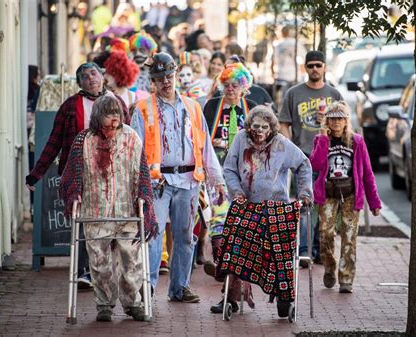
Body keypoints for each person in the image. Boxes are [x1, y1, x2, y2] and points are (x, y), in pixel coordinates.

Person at [130, 52, 225, 303]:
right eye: (160, 78)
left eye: (169, 76)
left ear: (176, 76)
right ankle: (148, 288)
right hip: (157, 183)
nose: (166, 82)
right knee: (154, 234)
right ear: (153, 80)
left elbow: (205, 147)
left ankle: (180, 287)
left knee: (185, 235)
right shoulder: (142, 109)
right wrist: (138, 186)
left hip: (189, 181)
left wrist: (217, 180)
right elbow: (133, 151)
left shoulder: (193, 107)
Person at [25, 62, 128, 289]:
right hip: (80, 174)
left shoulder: (117, 103)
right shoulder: (70, 106)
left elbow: (129, 139)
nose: (90, 78)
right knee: (82, 221)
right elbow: (54, 143)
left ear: (102, 76)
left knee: (112, 222)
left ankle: (106, 270)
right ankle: (84, 271)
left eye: (93, 73)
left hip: (113, 174)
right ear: (79, 83)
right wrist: (35, 174)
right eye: (84, 76)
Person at [60, 95, 158, 322]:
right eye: (108, 118)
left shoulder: (131, 137)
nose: (113, 123)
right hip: (95, 210)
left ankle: (133, 303)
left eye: (117, 117)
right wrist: (73, 194)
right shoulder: (84, 140)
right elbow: (72, 174)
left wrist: (143, 197)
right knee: (99, 261)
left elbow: (142, 172)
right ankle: (104, 303)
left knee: (131, 261)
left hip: (127, 210)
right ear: (97, 117)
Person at [212, 105, 312, 315]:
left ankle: (284, 296)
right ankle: (230, 296)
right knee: (234, 242)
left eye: (264, 127)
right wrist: (237, 192)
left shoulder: (281, 144)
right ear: (248, 127)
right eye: (255, 126)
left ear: (271, 129)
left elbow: (303, 164)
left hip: (277, 208)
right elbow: (229, 169)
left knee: (282, 248)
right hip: (247, 205)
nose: (258, 131)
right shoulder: (240, 139)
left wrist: (304, 193)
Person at [278, 50, 343, 266]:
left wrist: (329, 125)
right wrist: (292, 149)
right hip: (303, 157)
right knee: (304, 204)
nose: (315, 69)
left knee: (324, 205)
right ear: (305, 68)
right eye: (311, 65)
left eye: (318, 65)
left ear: (325, 67)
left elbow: (344, 127)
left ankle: (318, 248)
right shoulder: (293, 93)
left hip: (329, 158)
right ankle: (304, 250)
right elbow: (284, 123)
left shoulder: (334, 94)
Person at [310, 101, 381, 294]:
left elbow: (367, 173)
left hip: (350, 194)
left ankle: (346, 278)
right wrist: (324, 140)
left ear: (346, 120)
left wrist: (374, 202)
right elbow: (315, 165)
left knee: (349, 236)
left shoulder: (356, 141)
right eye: (332, 119)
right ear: (326, 121)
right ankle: (330, 267)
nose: (336, 123)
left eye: (340, 118)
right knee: (325, 234)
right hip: (328, 194)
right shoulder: (320, 140)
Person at [202, 62, 256, 274]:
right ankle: (220, 261)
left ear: (243, 86)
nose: (230, 89)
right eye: (226, 85)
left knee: (240, 217)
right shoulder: (212, 106)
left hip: (245, 171)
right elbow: (202, 136)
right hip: (218, 168)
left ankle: (236, 261)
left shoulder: (250, 107)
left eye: (235, 85)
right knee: (219, 214)